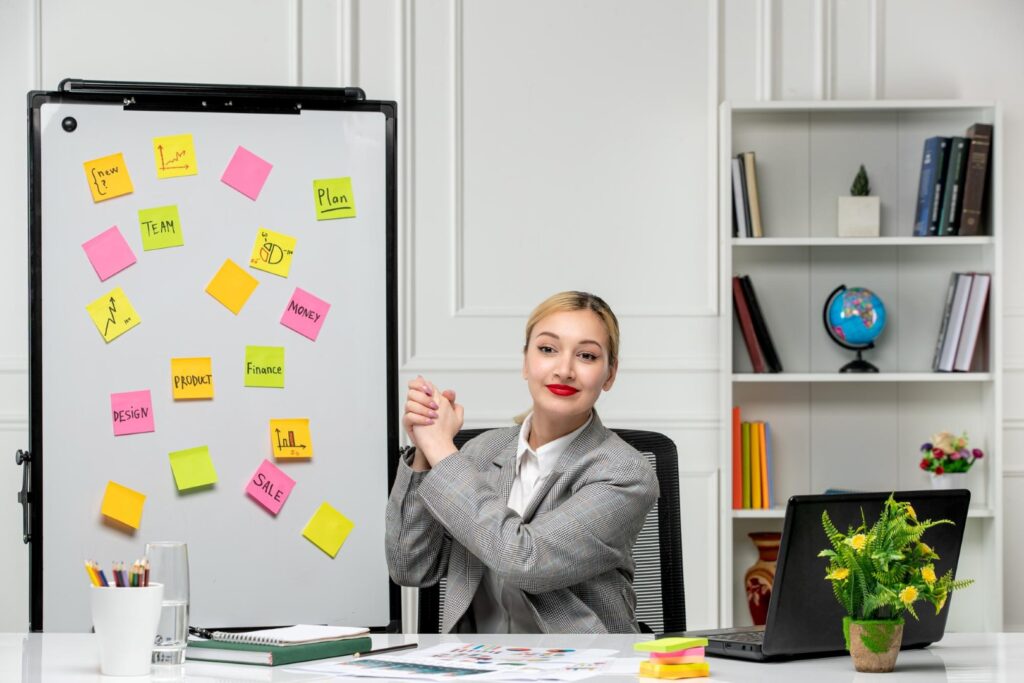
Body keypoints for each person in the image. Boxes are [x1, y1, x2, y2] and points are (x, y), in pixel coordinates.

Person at [385, 291, 659, 633]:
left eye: (586, 356)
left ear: (609, 374)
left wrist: (443, 452)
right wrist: (426, 450)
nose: (564, 369)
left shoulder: (626, 473)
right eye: (547, 349)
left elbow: (526, 560)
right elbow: (409, 566)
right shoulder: (479, 453)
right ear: (525, 362)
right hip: (475, 662)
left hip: (582, 665)